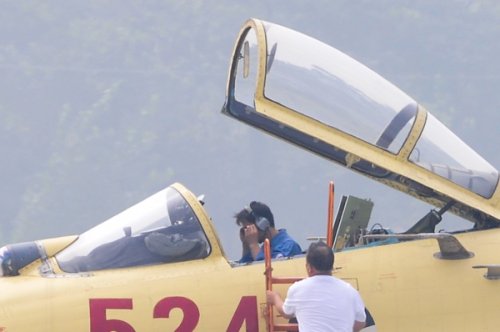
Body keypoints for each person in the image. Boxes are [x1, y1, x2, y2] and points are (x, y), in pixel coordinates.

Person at [266, 241, 366, 332]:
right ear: (331, 266)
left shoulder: (298, 289)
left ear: (309, 268)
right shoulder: (350, 291)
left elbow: (286, 312)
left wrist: (275, 298)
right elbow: (360, 323)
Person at [235, 201, 302, 263]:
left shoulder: (288, 246)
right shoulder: (263, 249)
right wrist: (246, 245)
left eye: (248, 228)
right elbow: (245, 271)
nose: (247, 233)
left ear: (262, 224)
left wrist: (253, 245)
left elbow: (268, 270)